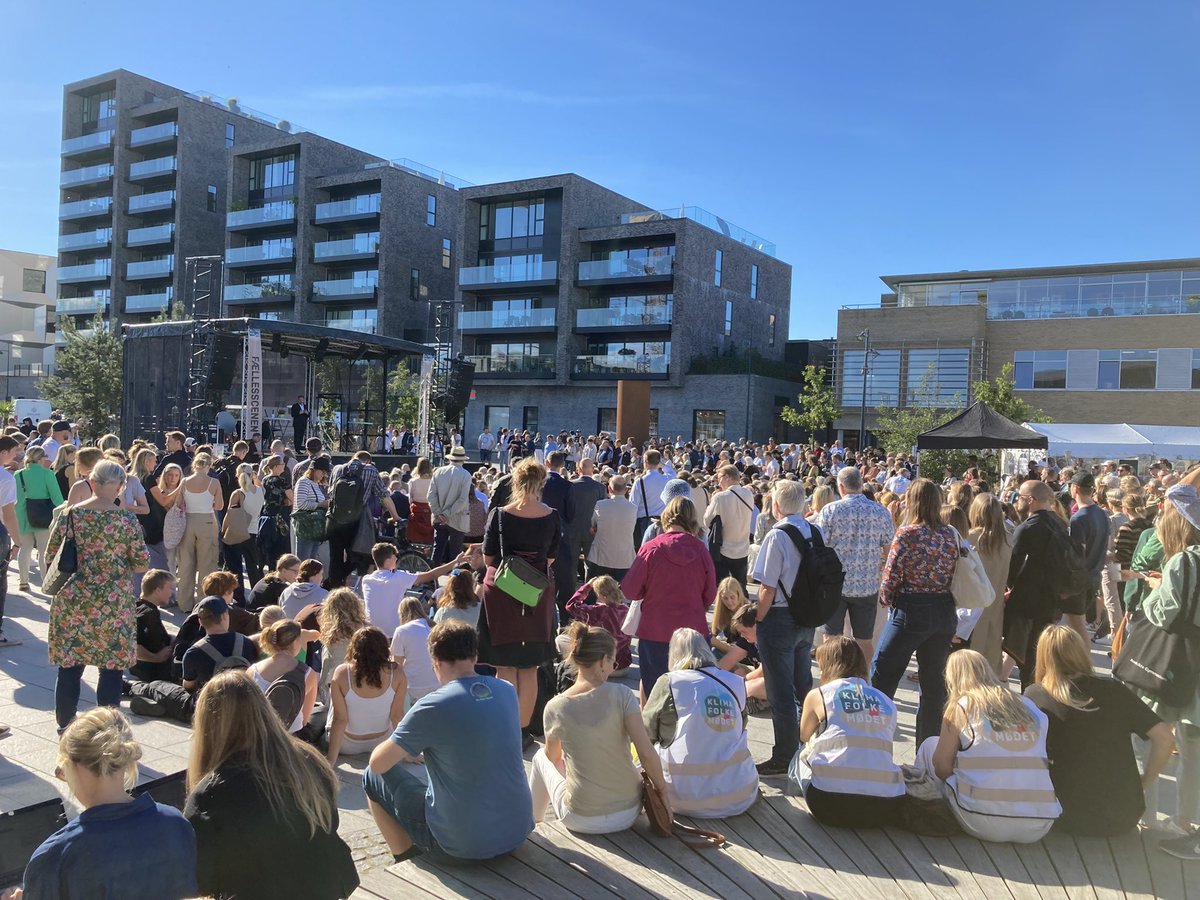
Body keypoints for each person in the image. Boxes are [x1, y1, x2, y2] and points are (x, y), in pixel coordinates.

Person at [364, 620, 534, 863]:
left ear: (436, 662)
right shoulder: (506, 690)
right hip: (517, 832)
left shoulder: (432, 706)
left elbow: (378, 764)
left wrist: (403, 739)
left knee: (371, 776)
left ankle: (405, 856)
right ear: (475, 656)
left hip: (460, 847)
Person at [186, 671, 359, 899]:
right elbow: (330, 822)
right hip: (324, 887)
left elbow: (199, 879)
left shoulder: (212, 793)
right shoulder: (308, 760)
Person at [18, 708, 196, 900]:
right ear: (125, 759)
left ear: (75, 767)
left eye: (62, 771)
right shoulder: (176, 824)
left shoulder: (56, 856)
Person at [1025, 624, 1173, 836]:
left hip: (1063, 812)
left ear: (1042, 657)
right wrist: (1145, 781)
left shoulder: (1035, 696)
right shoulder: (1114, 690)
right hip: (1123, 815)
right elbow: (1165, 738)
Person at [530, 621, 666, 833]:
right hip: (629, 812)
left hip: (581, 818)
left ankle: (535, 825)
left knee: (540, 758)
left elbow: (553, 757)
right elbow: (646, 753)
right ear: (603, 661)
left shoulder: (555, 707)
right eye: (613, 661)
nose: (614, 667)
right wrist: (663, 794)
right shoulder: (622, 695)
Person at [912, 649, 1060, 842]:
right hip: (1040, 823)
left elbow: (941, 767)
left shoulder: (963, 706)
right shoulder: (1030, 706)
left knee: (930, 745)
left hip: (980, 818)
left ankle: (923, 802)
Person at [47, 460, 149, 729]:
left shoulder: (69, 515)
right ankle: (107, 732)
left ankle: (66, 730)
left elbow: (50, 557)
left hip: (72, 600)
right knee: (112, 669)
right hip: (113, 603)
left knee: (70, 668)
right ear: (120, 486)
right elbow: (141, 564)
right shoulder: (126, 520)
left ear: (91, 483)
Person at [1133, 482, 1200, 856]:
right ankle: (1187, 820)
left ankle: (1147, 813)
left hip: (1174, 665)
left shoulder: (1183, 560)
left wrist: (1157, 586)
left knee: (1149, 734)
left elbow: (1163, 613)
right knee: (1194, 748)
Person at [871, 478, 959, 746]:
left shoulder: (908, 533)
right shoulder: (950, 533)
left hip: (912, 608)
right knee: (934, 685)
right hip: (943, 609)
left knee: (883, 671)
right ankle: (928, 749)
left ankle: (874, 739)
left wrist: (886, 598)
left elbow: (891, 575)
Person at [479, 458, 561, 730]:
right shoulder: (552, 515)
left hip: (502, 594)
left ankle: (504, 724)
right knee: (530, 667)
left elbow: (489, 558)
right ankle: (522, 727)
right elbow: (550, 559)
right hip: (537, 595)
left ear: (514, 481)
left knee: (504, 665)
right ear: (542, 483)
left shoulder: (500, 514)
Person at [790, 636, 905, 828]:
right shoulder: (886, 701)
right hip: (885, 805)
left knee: (800, 753)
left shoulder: (820, 694)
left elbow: (803, 735)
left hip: (829, 803)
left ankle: (792, 797)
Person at [643, 627, 759, 818]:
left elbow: (646, 731)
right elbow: (741, 726)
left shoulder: (670, 682)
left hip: (679, 797)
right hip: (738, 795)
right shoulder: (734, 681)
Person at [749, 479, 820, 775]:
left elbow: (766, 588)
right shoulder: (815, 530)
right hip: (808, 615)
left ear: (775, 506)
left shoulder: (777, 536)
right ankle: (809, 746)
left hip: (779, 616)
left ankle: (784, 755)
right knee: (803, 684)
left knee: (780, 692)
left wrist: (758, 619)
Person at [623, 495, 716, 699]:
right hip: (692, 633)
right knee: (690, 694)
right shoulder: (701, 550)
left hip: (655, 630)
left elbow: (629, 589)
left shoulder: (651, 548)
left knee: (654, 691)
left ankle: (652, 731)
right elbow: (709, 595)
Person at [815, 465, 896, 662]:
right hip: (867, 585)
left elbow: (818, 547)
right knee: (864, 639)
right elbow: (891, 553)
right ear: (860, 485)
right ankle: (863, 678)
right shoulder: (880, 512)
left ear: (841, 487)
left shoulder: (830, 511)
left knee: (831, 637)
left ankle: (831, 676)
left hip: (835, 584)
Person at [1006, 479, 1075, 687]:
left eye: (1019, 497)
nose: (1016, 501)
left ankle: (1032, 699)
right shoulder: (1060, 523)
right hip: (1053, 599)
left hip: (1028, 601)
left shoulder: (1028, 528)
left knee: (1026, 656)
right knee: (1042, 654)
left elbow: (1012, 567)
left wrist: (1008, 588)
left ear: (1031, 500)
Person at [327, 626, 407, 762]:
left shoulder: (341, 673)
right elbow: (397, 716)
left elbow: (340, 719)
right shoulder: (397, 672)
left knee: (330, 709)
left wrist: (330, 760)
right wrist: (406, 752)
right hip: (382, 742)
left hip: (346, 745)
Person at [361, 542, 466, 637]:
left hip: (371, 633)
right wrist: (455, 562)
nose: (396, 559)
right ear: (388, 561)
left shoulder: (366, 580)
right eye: (394, 557)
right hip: (393, 633)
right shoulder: (398, 577)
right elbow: (431, 574)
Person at [964, 493, 1013, 675]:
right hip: (995, 607)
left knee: (968, 665)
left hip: (970, 610)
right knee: (989, 665)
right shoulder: (1009, 540)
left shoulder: (968, 540)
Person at [248, 619, 319, 733]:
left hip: (260, 735)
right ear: (295, 642)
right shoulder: (308, 674)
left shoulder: (253, 670)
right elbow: (305, 720)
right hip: (291, 737)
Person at [174, 453, 224, 613]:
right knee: (207, 563)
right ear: (209, 466)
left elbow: (178, 504)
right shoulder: (214, 482)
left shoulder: (184, 481)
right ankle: (203, 602)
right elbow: (220, 506)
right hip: (207, 522)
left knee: (185, 563)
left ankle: (184, 603)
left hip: (187, 522)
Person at [181, 596, 258, 693]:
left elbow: (188, 686)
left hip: (211, 704)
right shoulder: (246, 642)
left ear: (200, 621)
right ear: (224, 616)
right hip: (245, 699)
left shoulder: (193, 653)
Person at [14, 444, 64, 592]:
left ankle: (23, 581)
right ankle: (45, 582)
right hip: (43, 516)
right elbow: (57, 499)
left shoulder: (18, 474)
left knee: (25, 548)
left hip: (22, 515)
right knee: (43, 551)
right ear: (41, 458)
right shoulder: (47, 474)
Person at [1066, 471, 1110, 642]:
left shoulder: (1079, 518)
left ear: (1075, 488)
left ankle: (1082, 665)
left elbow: (1078, 554)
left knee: (1076, 627)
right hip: (1094, 576)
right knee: (1078, 626)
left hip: (1080, 579)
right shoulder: (1102, 514)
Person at [564, 575, 631, 670]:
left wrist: (587, 586)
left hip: (601, 666)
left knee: (561, 640)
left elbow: (571, 606)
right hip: (623, 665)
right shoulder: (626, 610)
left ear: (602, 595)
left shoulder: (599, 610)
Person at [704, 464, 755, 585]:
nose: (718, 481)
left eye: (719, 477)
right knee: (741, 587)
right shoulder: (748, 494)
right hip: (743, 547)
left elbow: (706, 520)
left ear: (727, 477)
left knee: (723, 586)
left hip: (724, 549)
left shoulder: (720, 497)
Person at [223, 462, 265, 603]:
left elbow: (229, 515)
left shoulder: (238, 494)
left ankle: (239, 597)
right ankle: (257, 597)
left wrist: (223, 532)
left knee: (235, 567)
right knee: (252, 567)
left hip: (237, 532)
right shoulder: (260, 491)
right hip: (253, 532)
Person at [317, 587, 371, 699]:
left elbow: (327, 666)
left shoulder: (331, 636)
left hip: (338, 687)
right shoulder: (368, 631)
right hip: (365, 686)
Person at [428, 445, 474, 565]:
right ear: (463, 460)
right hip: (457, 518)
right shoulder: (466, 475)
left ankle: (431, 580)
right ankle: (456, 580)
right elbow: (462, 499)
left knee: (437, 550)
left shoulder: (438, 472)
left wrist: (439, 513)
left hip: (439, 518)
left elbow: (431, 496)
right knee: (456, 554)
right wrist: (446, 514)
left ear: (450, 459)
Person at [587, 475, 637, 581]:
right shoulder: (633, 508)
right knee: (620, 595)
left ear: (609, 489)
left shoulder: (600, 505)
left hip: (601, 557)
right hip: (624, 559)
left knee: (593, 591)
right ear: (626, 489)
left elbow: (593, 524)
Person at [130, 569, 177, 683]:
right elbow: (134, 645)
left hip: (141, 667)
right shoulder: (149, 613)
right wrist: (156, 658)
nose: (171, 592)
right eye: (169, 588)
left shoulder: (137, 606)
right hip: (153, 670)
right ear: (157, 591)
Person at [392, 597, 439, 702]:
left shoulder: (401, 631)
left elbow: (397, 665)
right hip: (437, 684)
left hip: (413, 688)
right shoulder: (434, 627)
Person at [257, 454, 294, 574]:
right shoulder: (282, 481)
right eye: (282, 464)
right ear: (277, 466)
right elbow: (292, 498)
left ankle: (270, 570)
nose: (284, 466)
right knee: (281, 546)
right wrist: (287, 501)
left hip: (267, 515)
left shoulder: (265, 480)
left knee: (269, 547)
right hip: (280, 517)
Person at [293, 456, 331, 562]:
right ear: (314, 470)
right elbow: (301, 504)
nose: (323, 475)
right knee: (304, 560)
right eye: (322, 472)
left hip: (314, 527)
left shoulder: (315, 484)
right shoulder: (304, 482)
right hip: (306, 526)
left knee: (311, 561)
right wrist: (320, 504)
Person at [631, 449, 670, 550]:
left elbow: (633, 505)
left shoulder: (639, 481)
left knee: (645, 551)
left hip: (644, 520)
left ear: (646, 463)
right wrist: (661, 465)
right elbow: (671, 471)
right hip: (663, 520)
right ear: (659, 462)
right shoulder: (666, 479)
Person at [406, 457, 435, 545]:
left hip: (417, 511)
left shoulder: (413, 481)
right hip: (430, 510)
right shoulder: (433, 481)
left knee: (415, 536)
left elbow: (410, 499)